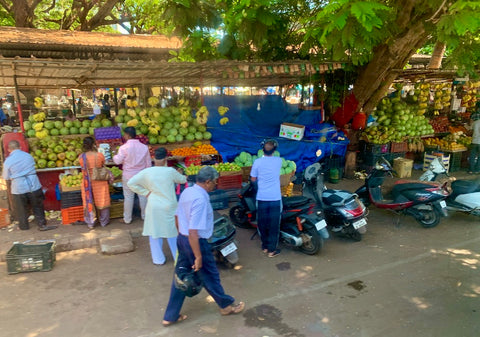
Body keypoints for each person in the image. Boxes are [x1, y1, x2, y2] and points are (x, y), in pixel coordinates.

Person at [162, 166, 245, 327]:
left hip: (183, 239)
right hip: (195, 242)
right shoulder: (200, 199)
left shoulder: (188, 191)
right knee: (210, 275)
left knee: (181, 276)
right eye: (214, 182)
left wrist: (182, 237)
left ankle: (170, 316)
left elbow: (177, 217)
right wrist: (198, 256)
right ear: (207, 182)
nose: (215, 184)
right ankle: (226, 306)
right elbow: (194, 231)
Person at [127, 147, 187, 265]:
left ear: (153, 158)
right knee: (172, 232)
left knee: (155, 232)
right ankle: (178, 259)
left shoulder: (147, 172)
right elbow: (183, 180)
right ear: (166, 158)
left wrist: (146, 193)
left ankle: (158, 259)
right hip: (169, 206)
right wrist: (180, 173)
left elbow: (130, 183)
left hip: (153, 205)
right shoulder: (170, 171)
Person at [2, 140, 55, 231]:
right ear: (20, 147)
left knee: (21, 208)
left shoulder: (8, 161)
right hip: (33, 184)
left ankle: (23, 226)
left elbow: (6, 176)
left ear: (9, 149)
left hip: (18, 187)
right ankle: (41, 224)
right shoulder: (28, 156)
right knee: (37, 205)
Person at [250, 139, 282, 258]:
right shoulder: (278, 161)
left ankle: (264, 247)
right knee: (274, 225)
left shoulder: (257, 162)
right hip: (275, 198)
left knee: (262, 223)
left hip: (262, 197)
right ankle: (272, 250)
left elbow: (253, 179)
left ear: (262, 149)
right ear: (275, 150)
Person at [113, 127, 152, 224]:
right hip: (141, 175)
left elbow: (117, 161)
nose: (123, 136)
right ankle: (145, 217)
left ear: (128, 135)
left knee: (128, 197)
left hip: (128, 176)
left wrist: (114, 154)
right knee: (143, 196)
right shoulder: (144, 147)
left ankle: (127, 219)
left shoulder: (123, 148)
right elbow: (148, 164)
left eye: (124, 134)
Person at [78, 137, 111, 229]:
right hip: (99, 181)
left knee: (88, 201)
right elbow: (103, 164)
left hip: (86, 182)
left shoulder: (81, 157)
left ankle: (91, 222)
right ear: (93, 144)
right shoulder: (99, 155)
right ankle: (104, 222)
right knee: (103, 201)